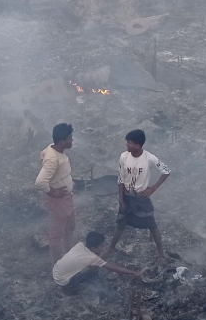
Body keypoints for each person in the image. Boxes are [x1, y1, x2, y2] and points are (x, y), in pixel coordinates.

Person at [107, 129, 171, 265]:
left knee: (152, 225)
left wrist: (153, 188)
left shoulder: (150, 158)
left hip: (141, 199)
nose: (126, 145)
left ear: (137, 145)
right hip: (127, 196)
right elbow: (120, 178)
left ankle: (161, 255)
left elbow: (166, 171)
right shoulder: (124, 157)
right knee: (121, 223)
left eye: (129, 143)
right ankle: (111, 248)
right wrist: (121, 199)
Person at [34, 123, 75, 265]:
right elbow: (40, 182)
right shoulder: (53, 159)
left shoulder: (55, 148)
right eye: (70, 138)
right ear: (62, 141)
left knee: (70, 225)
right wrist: (54, 192)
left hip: (66, 198)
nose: (72, 140)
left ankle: (69, 253)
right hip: (59, 201)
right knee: (57, 234)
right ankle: (58, 265)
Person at [53, 231, 142, 292]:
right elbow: (114, 268)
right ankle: (70, 288)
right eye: (101, 246)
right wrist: (133, 273)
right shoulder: (92, 258)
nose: (103, 248)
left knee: (89, 267)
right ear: (93, 248)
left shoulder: (79, 245)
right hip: (62, 281)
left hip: (56, 270)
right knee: (93, 272)